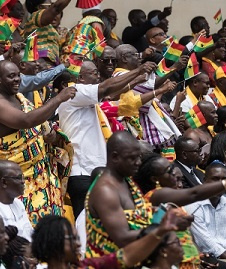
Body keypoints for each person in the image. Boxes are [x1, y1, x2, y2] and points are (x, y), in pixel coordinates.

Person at [58, 59, 158, 218]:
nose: (98, 76)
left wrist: (136, 79)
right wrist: (138, 70)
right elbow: (106, 88)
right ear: (81, 78)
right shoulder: (74, 92)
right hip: (83, 172)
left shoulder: (86, 99)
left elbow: (111, 94)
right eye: (94, 73)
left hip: (95, 170)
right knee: (88, 227)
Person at [0, 60, 77, 224]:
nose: (17, 80)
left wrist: (48, 137)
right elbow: (26, 121)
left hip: (40, 175)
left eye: (18, 76)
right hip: (16, 180)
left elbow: (35, 126)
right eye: (11, 76)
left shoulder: (19, 97)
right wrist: (58, 99)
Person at [85, 132, 156, 257]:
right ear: (115, 157)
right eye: (132, 158)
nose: (139, 162)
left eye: (139, 157)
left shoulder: (126, 181)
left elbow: (138, 215)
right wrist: (163, 228)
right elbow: (123, 238)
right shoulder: (105, 191)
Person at [32, 209, 180, 269]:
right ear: (53, 241)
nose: (78, 243)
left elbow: (125, 257)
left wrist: (160, 232)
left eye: (77, 238)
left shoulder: (85, 266)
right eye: (71, 239)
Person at [186, 163, 226, 263]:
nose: (220, 184)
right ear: (204, 181)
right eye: (215, 179)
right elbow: (207, 245)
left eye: (224, 179)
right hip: (206, 259)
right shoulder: (193, 206)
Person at [23, 0, 87, 65]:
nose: (51, 9)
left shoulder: (47, 26)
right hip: (40, 64)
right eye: (49, 6)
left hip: (51, 65)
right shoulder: (35, 17)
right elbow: (56, 8)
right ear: (40, 7)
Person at [0, 160, 34, 241]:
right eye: (18, 178)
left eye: (23, 177)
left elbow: (29, 234)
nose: (23, 181)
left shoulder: (18, 203)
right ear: (4, 182)